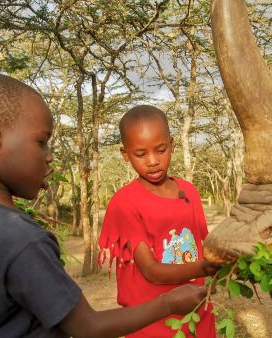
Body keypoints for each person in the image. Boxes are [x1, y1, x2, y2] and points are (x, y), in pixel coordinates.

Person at [0, 72, 208, 338]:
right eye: (41, 142)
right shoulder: (23, 242)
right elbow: (87, 327)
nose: (50, 156)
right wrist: (169, 303)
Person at [98, 105, 217, 337]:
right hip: (152, 324)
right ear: (125, 154)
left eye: (160, 150)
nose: (152, 161)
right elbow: (151, 271)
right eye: (141, 154)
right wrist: (207, 266)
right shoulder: (125, 202)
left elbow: (203, 247)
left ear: (171, 145)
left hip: (197, 314)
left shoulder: (189, 192)